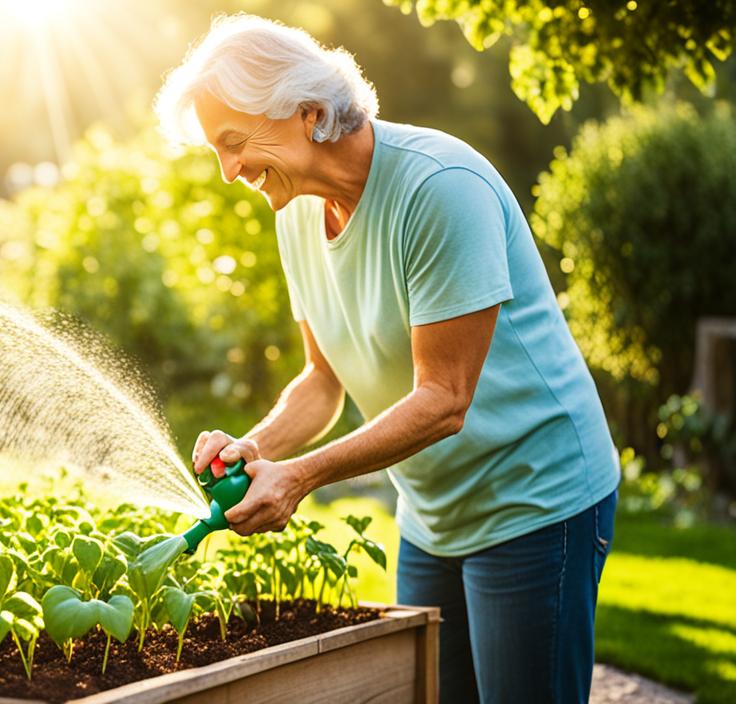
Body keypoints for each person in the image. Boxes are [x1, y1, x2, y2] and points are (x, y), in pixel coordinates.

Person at [154, 14, 620, 703]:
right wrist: (255, 451)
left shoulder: (439, 188)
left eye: (234, 143)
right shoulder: (295, 214)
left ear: (308, 114)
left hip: (534, 498)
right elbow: (322, 381)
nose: (229, 173)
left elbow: (444, 399)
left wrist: (300, 477)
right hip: (431, 515)